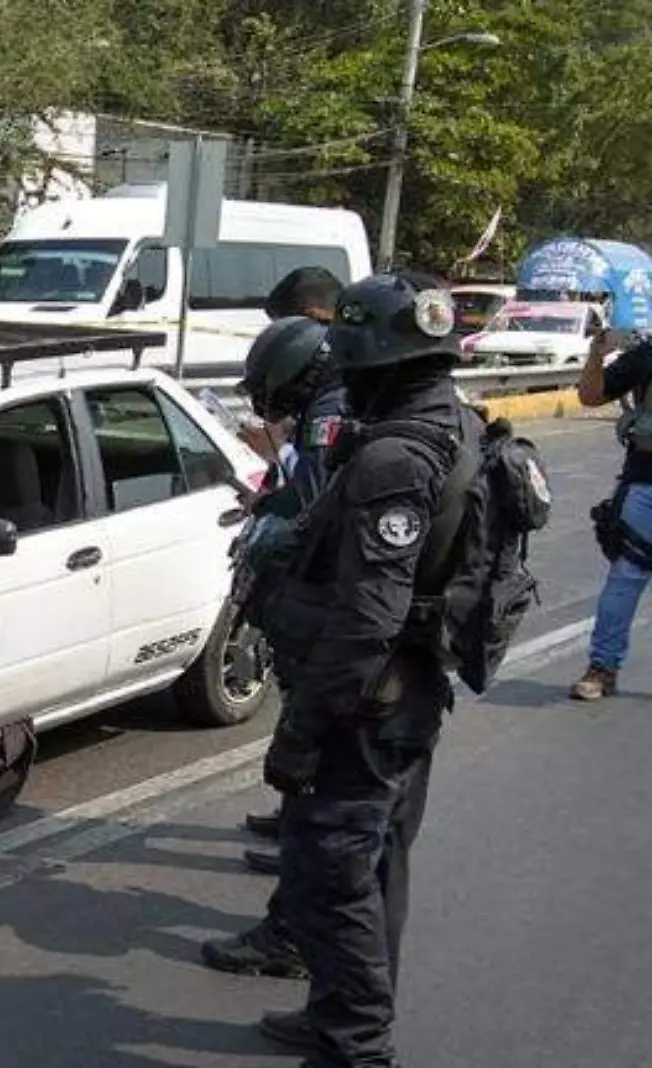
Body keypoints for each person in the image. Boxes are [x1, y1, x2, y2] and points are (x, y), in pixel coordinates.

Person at [253, 271, 468, 1066]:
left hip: (366, 703)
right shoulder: (456, 424)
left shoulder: (392, 459)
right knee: (372, 864)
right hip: (408, 688)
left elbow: (367, 616)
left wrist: (303, 730)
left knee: (330, 878)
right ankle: (335, 1018)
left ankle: (355, 1048)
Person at [199, 312, 349, 989]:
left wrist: (276, 507)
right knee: (324, 809)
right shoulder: (341, 409)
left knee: (324, 798)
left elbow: (314, 510)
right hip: (341, 640)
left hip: (333, 642)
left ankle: (291, 935)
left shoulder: (330, 417)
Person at [237, 267, 351, 873]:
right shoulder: (327, 393)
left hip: (331, 594)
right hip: (320, 592)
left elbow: (311, 493)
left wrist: (273, 461)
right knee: (301, 710)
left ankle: (304, 847)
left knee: (316, 722)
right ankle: (295, 821)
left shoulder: (337, 400)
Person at [570, 323, 652, 699]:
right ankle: (602, 667)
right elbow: (590, 396)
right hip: (645, 480)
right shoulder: (646, 355)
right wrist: (596, 353)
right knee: (626, 575)